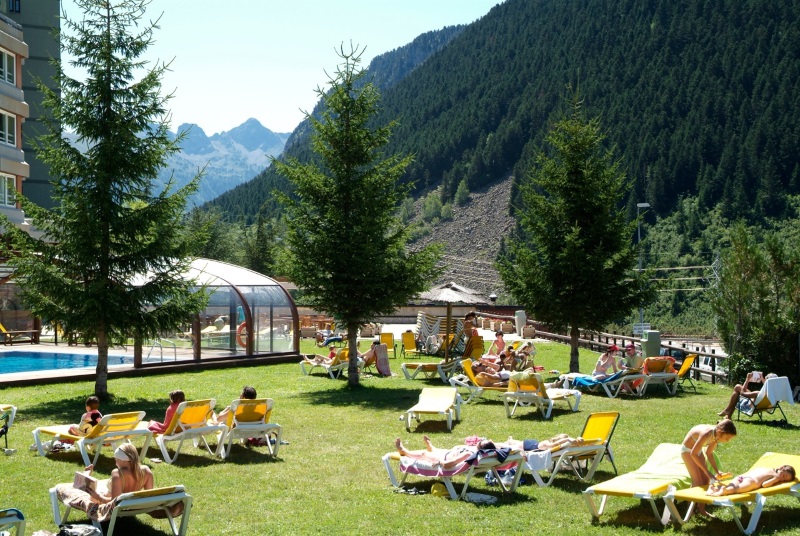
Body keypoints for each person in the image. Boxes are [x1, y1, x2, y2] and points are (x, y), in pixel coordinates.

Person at [54, 443, 183, 522]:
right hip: (135, 502)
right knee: (93, 485)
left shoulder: (118, 474)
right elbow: (149, 496)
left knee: (81, 489)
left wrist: (98, 497)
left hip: (120, 503)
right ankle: (87, 476)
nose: (115, 461)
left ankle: (86, 476)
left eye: (116, 459)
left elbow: (113, 503)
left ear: (123, 461)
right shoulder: (146, 471)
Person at [681, 419, 737, 516]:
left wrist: (717, 471)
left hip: (697, 451)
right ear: (721, 432)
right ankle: (690, 510)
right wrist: (707, 471)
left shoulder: (716, 436)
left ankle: (701, 509)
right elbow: (692, 453)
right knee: (697, 481)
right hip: (687, 451)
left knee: (706, 480)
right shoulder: (707, 434)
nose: (727, 441)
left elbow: (709, 453)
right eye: (727, 438)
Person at [394, 436, 494, 469]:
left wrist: (439, 462)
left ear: (480, 447)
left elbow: (448, 464)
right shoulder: (480, 452)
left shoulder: (469, 454)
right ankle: (432, 447)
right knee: (437, 450)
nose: (479, 440)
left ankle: (405, 452)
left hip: (444, 458)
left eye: (480, 441)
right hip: (448, 453)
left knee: (424, 454)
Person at [706, 465, 795, 496]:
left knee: (731, 486)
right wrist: (775, 479)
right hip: (751, 481)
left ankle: (714, 488)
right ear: (782, 468)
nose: (782, 478)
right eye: (784, 475)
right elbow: (765, 485)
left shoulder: (767, 469)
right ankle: (723, 490)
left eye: (784, 479)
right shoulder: (775, 475)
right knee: (735, 489)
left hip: (741, 476)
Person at [500, 434, 586, 451]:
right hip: (528, 445)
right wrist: (568, 439)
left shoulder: (553, 446)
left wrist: (578, 439)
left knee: (515, 442)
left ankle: (511, 440)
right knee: (509, 444)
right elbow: (554, 444)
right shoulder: (547, 443)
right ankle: (510, 440)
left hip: (532, 444)